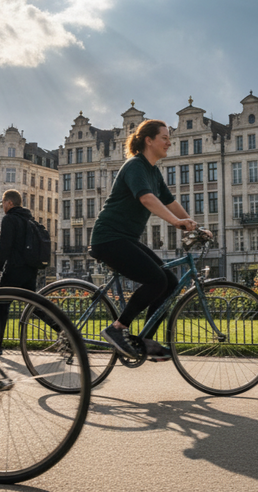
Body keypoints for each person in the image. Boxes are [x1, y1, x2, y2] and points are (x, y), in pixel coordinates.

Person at [89, 119, 198, 361]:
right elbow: (147, 199)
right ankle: (117, 329)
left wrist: (193, 224)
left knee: (169, 282)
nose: (169, 142)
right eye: (165, 137)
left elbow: (170, 202)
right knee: (156, 279)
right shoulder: (135, 166)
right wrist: (176, 223)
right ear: (149, 140)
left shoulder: (153, 172)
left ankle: (146, 341)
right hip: (109, 238)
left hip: (126, 238)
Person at [0, 189, 42, 354]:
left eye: (3, 203)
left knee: (1, 305)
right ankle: (64, 332)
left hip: (14, 269)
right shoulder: (29, 219)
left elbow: (5, 248)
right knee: (36, 306)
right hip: (30, 270)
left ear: (9, 203)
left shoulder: (9, 219)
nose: (2, 206)